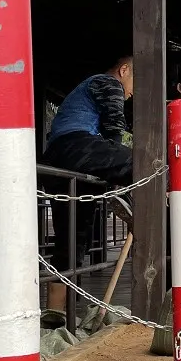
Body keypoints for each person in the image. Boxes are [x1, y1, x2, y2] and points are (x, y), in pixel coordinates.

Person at [41, 56, 135, 325]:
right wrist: (117, 160)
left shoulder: (84, 90)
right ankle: (125, 196)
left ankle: (56, 312)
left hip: (59, 162)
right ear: (124, 70)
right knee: (141, 160)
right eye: (133, 83)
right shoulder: (107, 83)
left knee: (72, 238)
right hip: (77, 147)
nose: (131, 92)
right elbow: (114, 126)